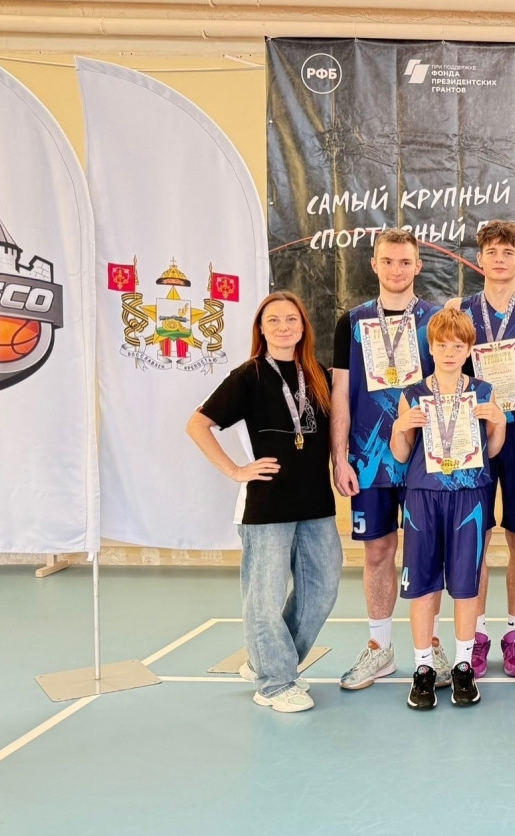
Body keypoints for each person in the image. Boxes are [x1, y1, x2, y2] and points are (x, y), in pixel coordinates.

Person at [186, 291, 340, 714]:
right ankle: (274, 682)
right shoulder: (249, 376)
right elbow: (197, 424)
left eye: (291, 319)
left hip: (316, 504)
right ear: (261, 329)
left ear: (303, 326)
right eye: (274, 320)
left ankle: (265, 660)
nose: (283, 326)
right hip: (267, 506)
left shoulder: (319, 375)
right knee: (265, 599)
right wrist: (236, 470)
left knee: (322, 589)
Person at [331, 229, 443, 691]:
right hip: (369, 457)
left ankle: (430, 645)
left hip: (426, 458)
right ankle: (380, 648)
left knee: (426, 552)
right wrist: (339, 457)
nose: (397, 269)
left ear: (418, 266)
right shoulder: (352, 322)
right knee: (378, 551)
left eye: (405, 262)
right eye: (388, 261)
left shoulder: (438, 319)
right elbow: (340, 393)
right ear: (374, 264)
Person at [445, 220, 515, 679]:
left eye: (508, 252)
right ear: (480, 259)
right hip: (472, 436)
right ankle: (477, 633)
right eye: (492, 251)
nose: (500, 259)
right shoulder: (459, 309)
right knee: (477, 537)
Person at [389, 309, 508, 709]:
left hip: (469, 495)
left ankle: (462, 667)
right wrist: (399, 426)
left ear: (469, 349)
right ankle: (423, 669)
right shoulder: (412, 394)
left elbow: (492, 451)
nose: (450, 352)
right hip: (423, 495)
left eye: (458, 346)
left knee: (465, 585)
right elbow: (401, 453)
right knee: (423, 586)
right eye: (442, 345)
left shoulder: (484, 391)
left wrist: (499, 423)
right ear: (431, 347)